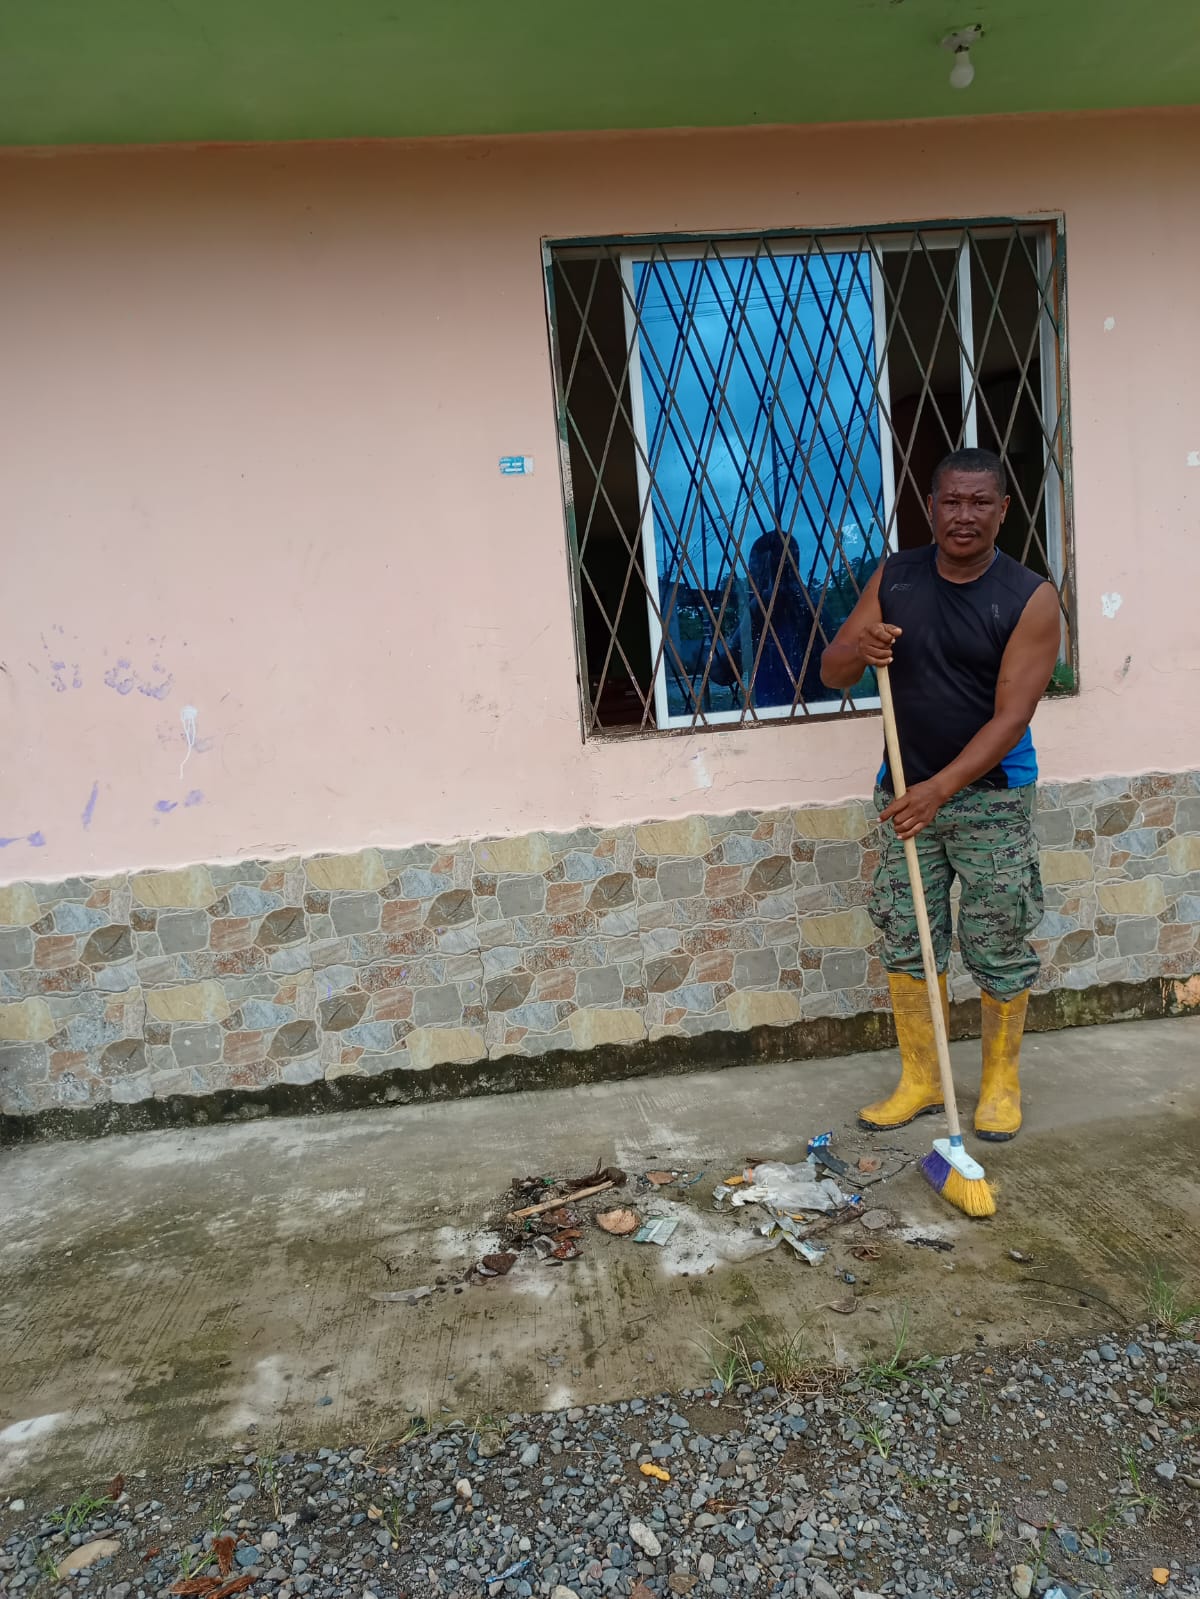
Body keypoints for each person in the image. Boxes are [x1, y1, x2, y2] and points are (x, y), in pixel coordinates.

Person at [820, 447, 1061, 1140]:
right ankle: (922, 1079)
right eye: (951, 501)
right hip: (903, 790)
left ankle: (1000, 1085)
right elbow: (834, 670)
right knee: (908, 934)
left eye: (980, 502)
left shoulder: (1029, 597)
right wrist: (861, 648)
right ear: (930, 506)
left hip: (990, 798)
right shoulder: (895, 576)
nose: (964, 515)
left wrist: (939, 790)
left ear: (1003, 510)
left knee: (997, 938)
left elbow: (1011, 718)